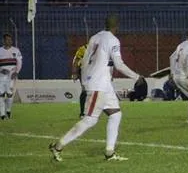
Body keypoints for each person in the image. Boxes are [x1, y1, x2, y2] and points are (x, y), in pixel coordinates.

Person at [49, 16, 145, 162]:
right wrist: (136, 77)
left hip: (103, 84)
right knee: (90, 120)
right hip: (98, 85)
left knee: (115, 114)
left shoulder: (95, 37)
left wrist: (86, 80)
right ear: (117, 26)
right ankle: (58, 146)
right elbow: (119, 64)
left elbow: (85, 61)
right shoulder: (113, 40)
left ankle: (109, 152)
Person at [0, 33, 22, 120]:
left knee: (9, 94)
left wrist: (16, 72)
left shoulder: (16, 50)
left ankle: (8, 110)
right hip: (1, 76)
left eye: (10, 40)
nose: (10, 41)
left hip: (11, 76)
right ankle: (2, 114)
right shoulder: (0, 50)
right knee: (1, 94)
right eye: (8, 40)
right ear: (4, 40)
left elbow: (19, 62)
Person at [71, 42, 88, 118]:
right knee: (84, 91)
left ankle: (92, 111)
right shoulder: (82, 49)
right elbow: (76, 61)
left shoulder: (98, 50)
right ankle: (82, 112)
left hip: (94, 73)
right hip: (83, 72)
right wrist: (75, 73)